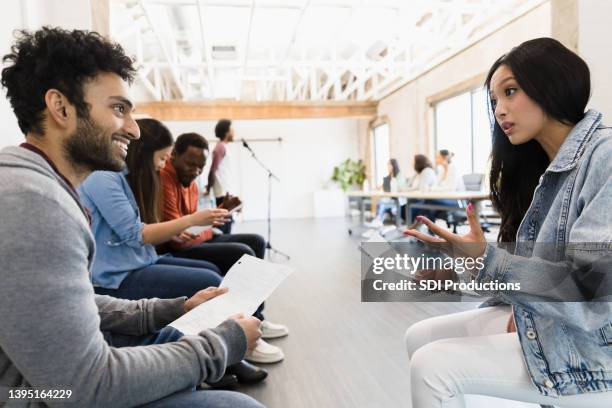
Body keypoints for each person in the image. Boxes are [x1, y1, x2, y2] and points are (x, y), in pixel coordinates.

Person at [0, 27, 263, 407]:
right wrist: (222, 344)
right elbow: (83, 388)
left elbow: (78, 302)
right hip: (34, 393)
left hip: (51, 378)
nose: (134, 129)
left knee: (177, 338)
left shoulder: (36, 183)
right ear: (60, 107)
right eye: (118, 109)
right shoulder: (32, 204)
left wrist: (174, 309)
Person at [404, 37, 612, 407]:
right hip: (564, 326)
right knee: (420, 336)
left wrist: (486, 261)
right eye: (494, 100)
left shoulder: (605, 157)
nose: (500, 110)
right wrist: (463, 269)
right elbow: (540, 272)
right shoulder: (541, 168)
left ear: (552, 84)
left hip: (597, 348)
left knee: (430, 365)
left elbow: (589, 290)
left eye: (510, 92)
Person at [160, 131, 289, 364]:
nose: (196, 171)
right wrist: (207, 225)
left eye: (201, 166)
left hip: (196, 239)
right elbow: (178, 235)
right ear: (173, 156)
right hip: (178, 246)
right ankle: (245, 327)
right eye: (190, 164)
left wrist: (222, 210)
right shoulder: (165, 178)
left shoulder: (192, 181)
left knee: (256, 241)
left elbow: (195, 222)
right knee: (243, 253)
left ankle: (256, 318)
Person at [206, 119, 237, 234]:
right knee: (224, 223)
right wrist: (208, 187)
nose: (234, 131)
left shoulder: (224, 147)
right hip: (222, 192)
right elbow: (213, 169)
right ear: (226, 131)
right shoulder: (220, 147)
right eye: (232, 129)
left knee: (227, 221)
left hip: (225, 190)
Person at [366, 158, 406, 228]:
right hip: (391, 199)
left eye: (389, 164)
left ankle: (379, 219)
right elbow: (382, 186)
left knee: (383, 203)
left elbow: (399, 188)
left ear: (394, 165)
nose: (387, 166)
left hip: (399, 199)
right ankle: (379, 219)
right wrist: (374, 187)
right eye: (387, 164)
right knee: (380, 201)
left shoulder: (400, 175)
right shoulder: (388, 177)